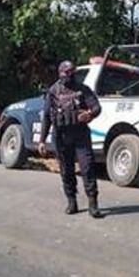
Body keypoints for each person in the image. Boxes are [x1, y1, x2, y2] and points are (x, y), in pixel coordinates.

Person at [39, 60, 104, 218]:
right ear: (60, 73)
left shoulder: (83, 90)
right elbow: (47, 117)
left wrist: (90, 114)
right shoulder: (53, 91)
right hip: (61, 136)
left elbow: (96, 107)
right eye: (67, 72)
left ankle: (93, 204)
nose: (70, 75)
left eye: (72, 72)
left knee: (87, 168)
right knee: (66, 170)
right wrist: (42, 140)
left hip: (80, 134)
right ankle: (71, 201)